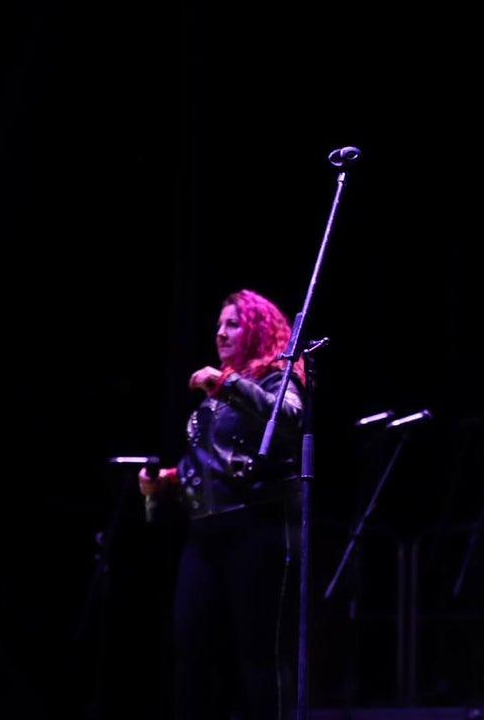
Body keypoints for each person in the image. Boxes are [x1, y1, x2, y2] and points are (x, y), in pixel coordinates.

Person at [139, 288, 306, 720]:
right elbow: (211, 462)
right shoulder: (218, 393)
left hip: (255, 527)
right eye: (218, 325)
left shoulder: (275, 378)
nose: (221, 333)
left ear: (257, 330)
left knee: (259, 655)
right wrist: (168, 481)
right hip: (205, 534)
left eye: (232, 324)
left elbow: (288, 419)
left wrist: (226, 383)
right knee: (191, 648)